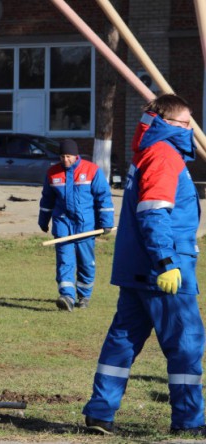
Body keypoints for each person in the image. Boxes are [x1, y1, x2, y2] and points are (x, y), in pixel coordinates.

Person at [82, 94, 205, 436]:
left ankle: (100, 413)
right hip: (164, 271)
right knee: (186, 342)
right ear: (171, 124)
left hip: (136, 268)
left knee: (123, 341)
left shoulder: (147, 152)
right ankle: (189, 422)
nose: (190, 129)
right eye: (187, 123)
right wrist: (166, 262)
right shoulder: (165, 156)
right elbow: (154, 212)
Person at [38, 139, 115, 311]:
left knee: (86, 262)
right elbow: (47, 199)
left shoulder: (92, 170)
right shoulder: (53, 173)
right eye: (62, 156)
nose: (65, 160)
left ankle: (84, 296)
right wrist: (43, 220)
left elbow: (104, 197)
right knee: (65, 261)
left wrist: (107, 222)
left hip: (86, 225)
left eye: (69, 156)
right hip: (63, 223)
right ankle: (67, 296)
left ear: (76, 155)